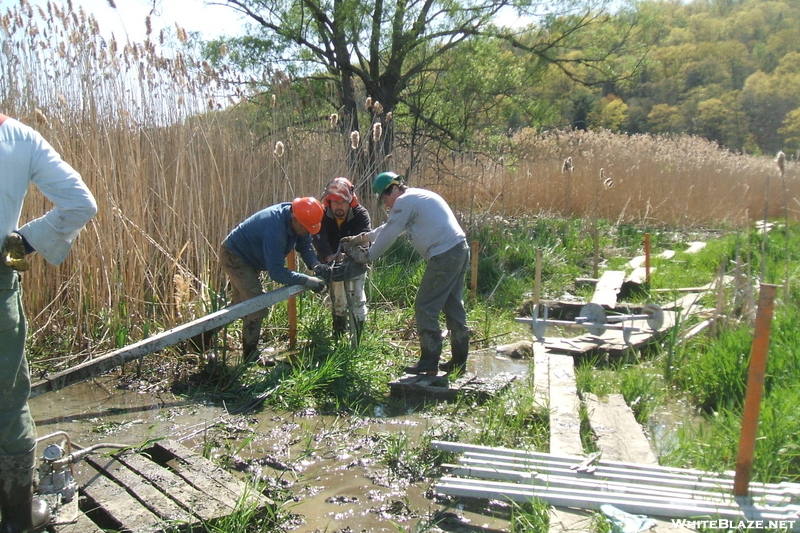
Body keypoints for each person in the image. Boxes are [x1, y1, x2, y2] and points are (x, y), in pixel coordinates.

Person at [0, 113, 97, 532]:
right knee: (8, 403)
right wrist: (23, 242)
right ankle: (19, 520)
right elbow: (81, 203)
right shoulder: (17, 137)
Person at [342, 172, 470, 375]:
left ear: (394, 188)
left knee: (425, 305)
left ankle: (429, 362)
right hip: (459, 249)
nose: (385, 204)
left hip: (444, 255)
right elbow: (387, 228)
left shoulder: (404, 201)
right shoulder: (417, 197)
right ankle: (459, 362)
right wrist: (361, 238)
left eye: (384, 197)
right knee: (452, 304)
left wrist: (367, 256)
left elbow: (390, 232)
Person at [215, 197, 328, 363]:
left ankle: (202, 336)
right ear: (295, 219)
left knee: (239, 306)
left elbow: (304, 246)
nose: (307, 232)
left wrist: (315, 264)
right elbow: (276, 272)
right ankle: (251, 356)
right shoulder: (275, 229)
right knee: (256, 306)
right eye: (306, 228)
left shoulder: (300, 219)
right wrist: (307, 280)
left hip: (249, 258)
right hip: (235, 256)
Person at [312, 177, 371, 341]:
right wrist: (329, 256)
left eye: (343, 203)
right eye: (335, 202)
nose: (339, 206)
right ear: (329, 202)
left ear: (350, 202)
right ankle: (338, 335)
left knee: (357, 299)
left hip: (356, 263)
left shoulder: (360, 214)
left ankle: (358, 338)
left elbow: (366, 239)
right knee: (338, 300)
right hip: (333, 264)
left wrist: (352, 255)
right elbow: (318, 238)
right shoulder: (322, 215)